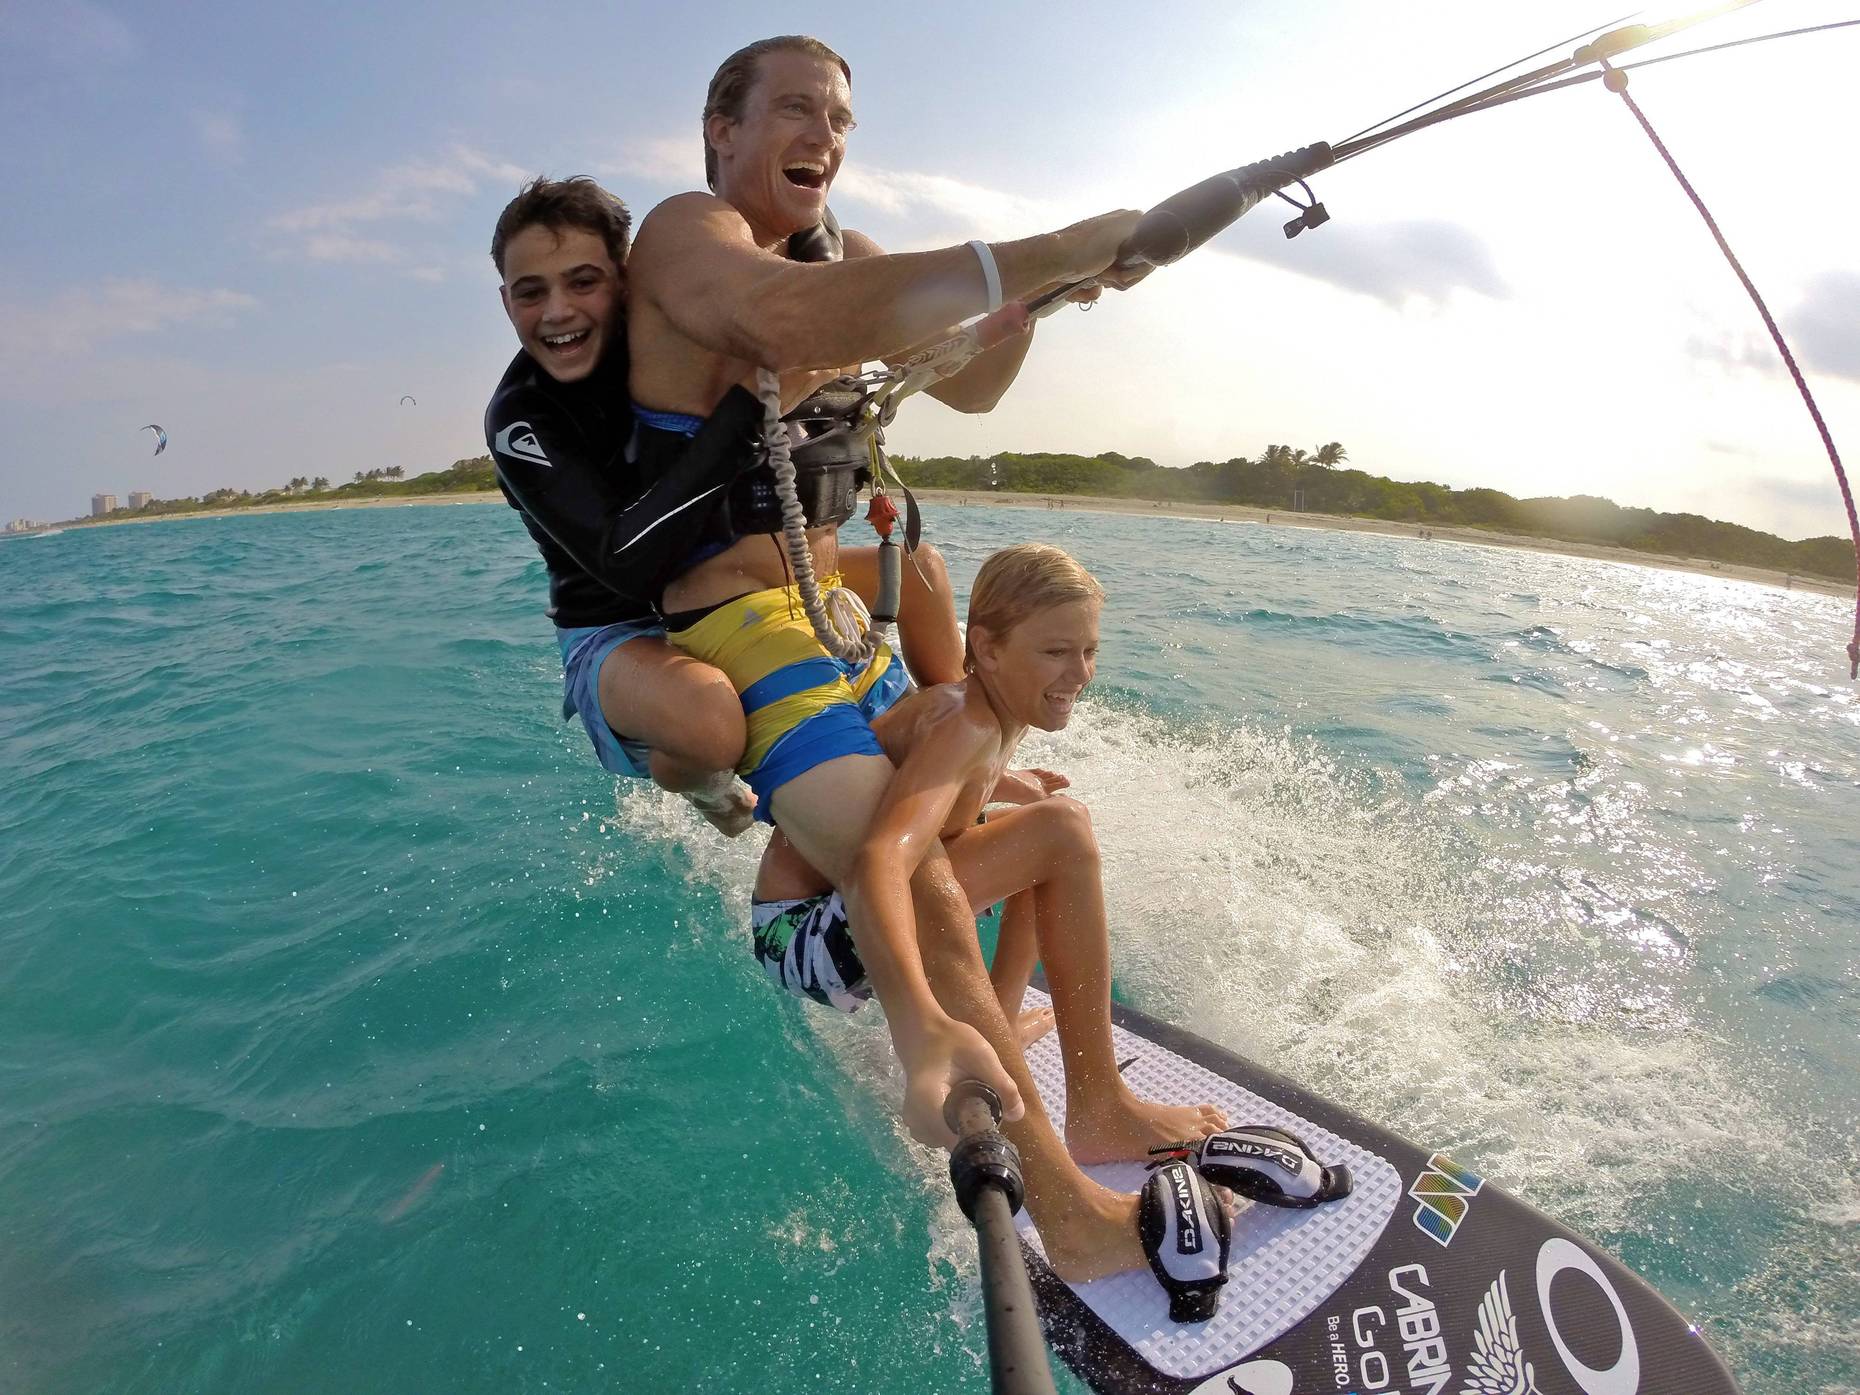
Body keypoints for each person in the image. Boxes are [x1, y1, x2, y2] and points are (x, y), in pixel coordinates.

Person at [628, 34, 1175, 1276]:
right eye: (795, 109)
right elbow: (776, 317)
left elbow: (973, 388)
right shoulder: (686, 235)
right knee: (908, 848)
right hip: (738, 623)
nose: (824, 135)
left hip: (831, 611)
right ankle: (1063, 1211)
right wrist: (1055, 244)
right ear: (721, 128)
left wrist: (1041, 297)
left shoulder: (854, 257)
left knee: (1017, 795)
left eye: (839, 118)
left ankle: (1094, 1100)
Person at [749, 545, 1226, 1233]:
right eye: (1056, 652)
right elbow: (881, 856)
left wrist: (1006, 784)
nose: (1079, 673)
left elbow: (930, 786)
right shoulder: (966, 720)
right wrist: (919, 1024)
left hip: (828, 923)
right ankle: (1099, 1109)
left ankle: (996, 1020)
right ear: (988, 648)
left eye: (1089, 651)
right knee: (1061, 831)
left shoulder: (991, 716)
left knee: (1045, 832)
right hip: (800, 938)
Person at [484, 177, 968, 835]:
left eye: (584, 281)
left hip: (719, 589)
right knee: (711, 724)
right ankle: (703, 786)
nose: (558, 311)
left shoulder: (670, 334)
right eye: (530, 292)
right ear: (505, 300)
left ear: (627, 280)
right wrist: (753, 407)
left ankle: (961, 733)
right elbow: (626, 564)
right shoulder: (521, 416)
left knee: (920, 569)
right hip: (619, 625)